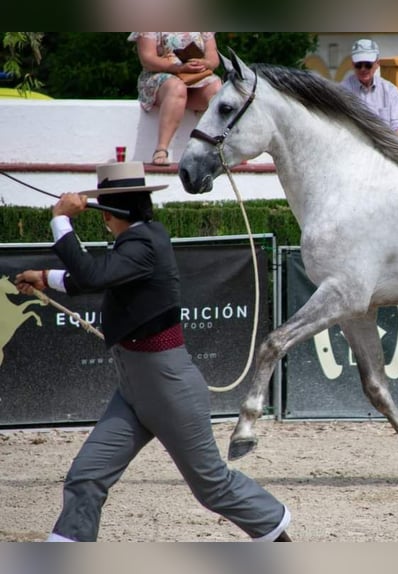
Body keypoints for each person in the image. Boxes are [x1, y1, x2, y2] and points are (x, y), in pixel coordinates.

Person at [14, 162, 291, 543]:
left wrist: (61, 221)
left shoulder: (143, 243)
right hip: (135, 389)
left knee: (212, 486)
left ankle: (279, 540)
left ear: (113, 212)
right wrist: (45, 278)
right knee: (87, 476)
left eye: (103, 210)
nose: (102, 218)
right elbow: (101, 276)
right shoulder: (140, 240)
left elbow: (94, 275)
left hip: (167, 386)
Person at [128, 32, 222, 166]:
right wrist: (177, 68)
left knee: (217, 89)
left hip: (194, 77)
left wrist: (203, 63)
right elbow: (147, 59)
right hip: (160, 75)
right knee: (177, 88)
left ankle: (223, 148)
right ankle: (161, 149)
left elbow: (213, 58)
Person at [339, 38, 398, 137]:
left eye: (368, 65)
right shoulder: (342, 91)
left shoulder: (391, 91)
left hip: (385, 148)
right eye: (358, 65)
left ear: (377, 64)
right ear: (353, 64)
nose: (363, 69)